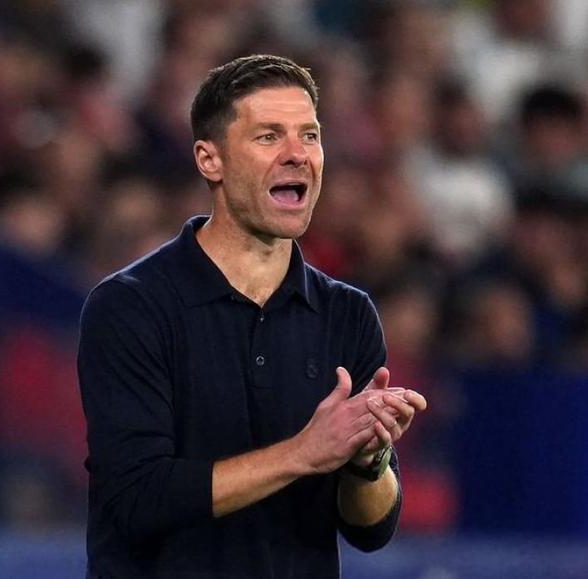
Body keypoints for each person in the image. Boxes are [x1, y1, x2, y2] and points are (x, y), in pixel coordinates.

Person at [77, 54, 427, 579]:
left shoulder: (347, 313)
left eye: (309, 136)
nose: (297, 154)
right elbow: (138, 497)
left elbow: (370, 530)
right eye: (268, 137)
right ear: (209, 160)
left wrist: (367, 459)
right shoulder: (130, 306)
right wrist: (303, 453)